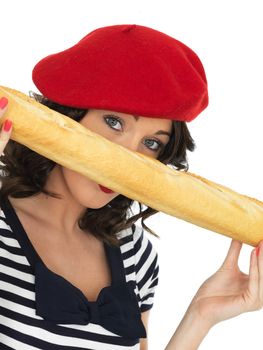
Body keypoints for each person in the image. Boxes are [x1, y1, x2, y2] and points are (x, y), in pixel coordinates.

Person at [0, 24, 262, 350]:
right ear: (70, 115)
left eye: (151, 143)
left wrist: (202, 314)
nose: (128, 157)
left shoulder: (134, 251)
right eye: (114, 122)